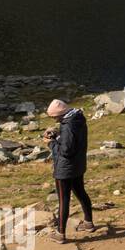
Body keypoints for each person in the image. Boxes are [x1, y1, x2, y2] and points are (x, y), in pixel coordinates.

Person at [44, 99, 92, 242]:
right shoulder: (78, 119)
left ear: (60, 114)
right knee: (81, 193)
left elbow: (66, 151)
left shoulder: (67, 125)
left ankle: (60, 234)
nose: (54, 120)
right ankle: (88, 223)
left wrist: (51, 143)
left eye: (54, 117)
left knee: (63, 201)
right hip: (78, 165)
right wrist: (57, 135)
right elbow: (71, 141)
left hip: (65, 169)